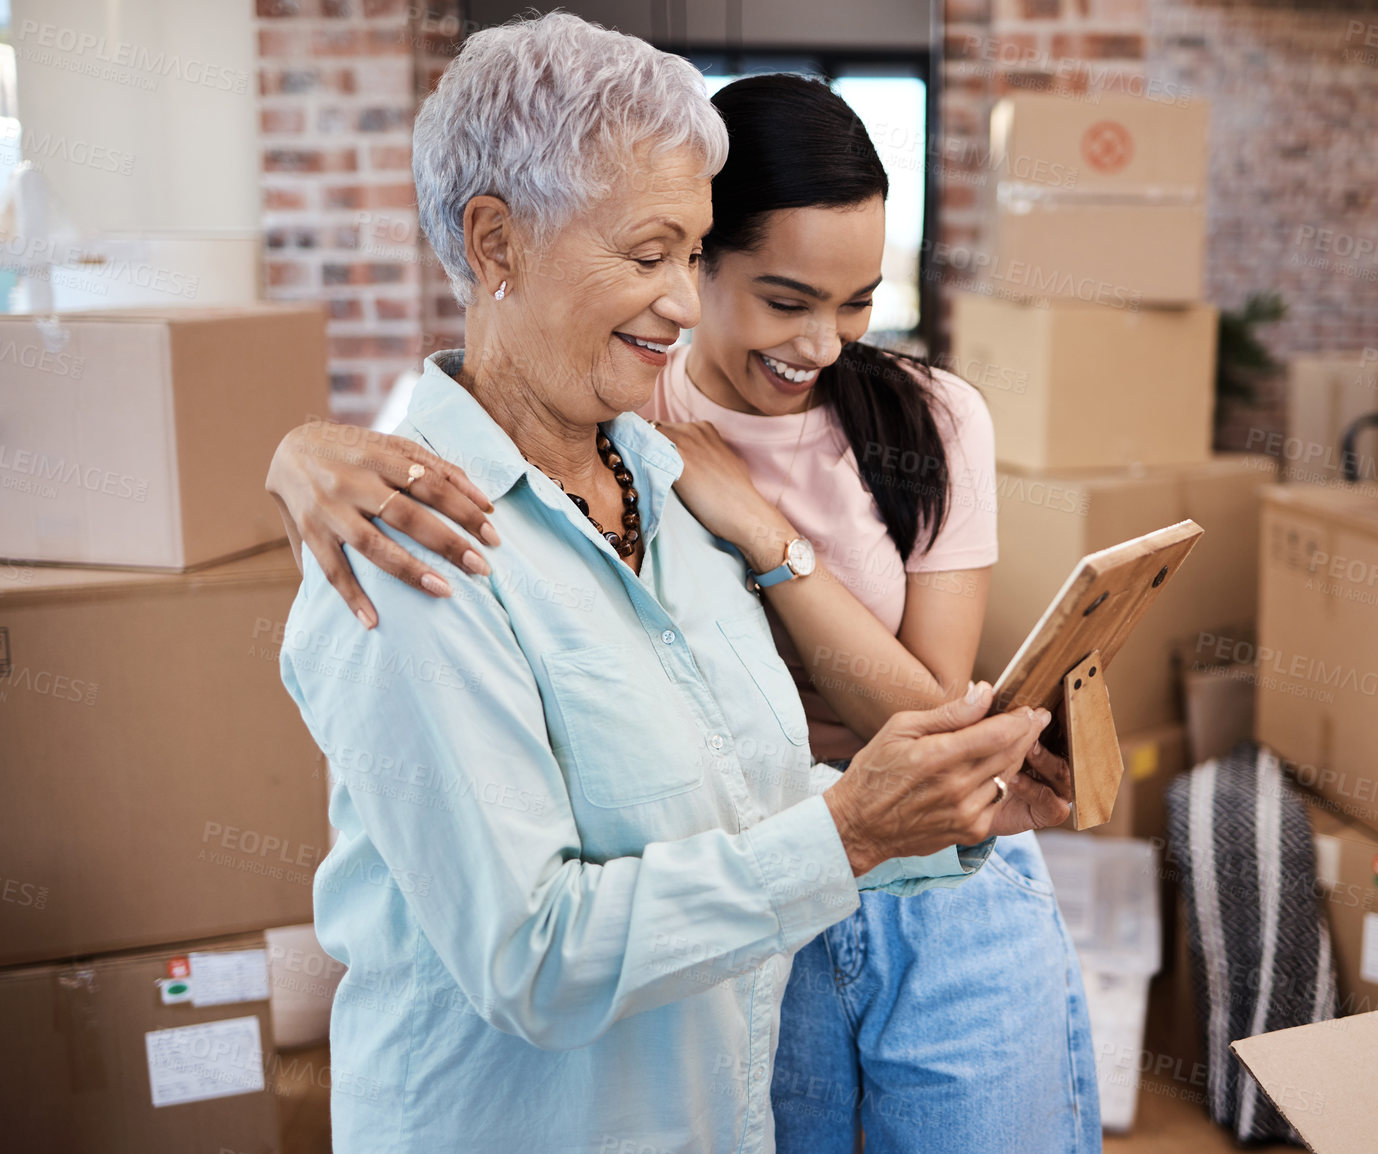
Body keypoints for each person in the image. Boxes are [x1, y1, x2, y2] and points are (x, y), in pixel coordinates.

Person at [271, 16, 1069, 1154]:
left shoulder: (663, 484)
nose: (688, 304)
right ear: (494, 244)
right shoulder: (413, 544)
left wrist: (945, 812)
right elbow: (534, 957)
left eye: (695, 255)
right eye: (650, 256)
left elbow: (728, 792)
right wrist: (850, 830)